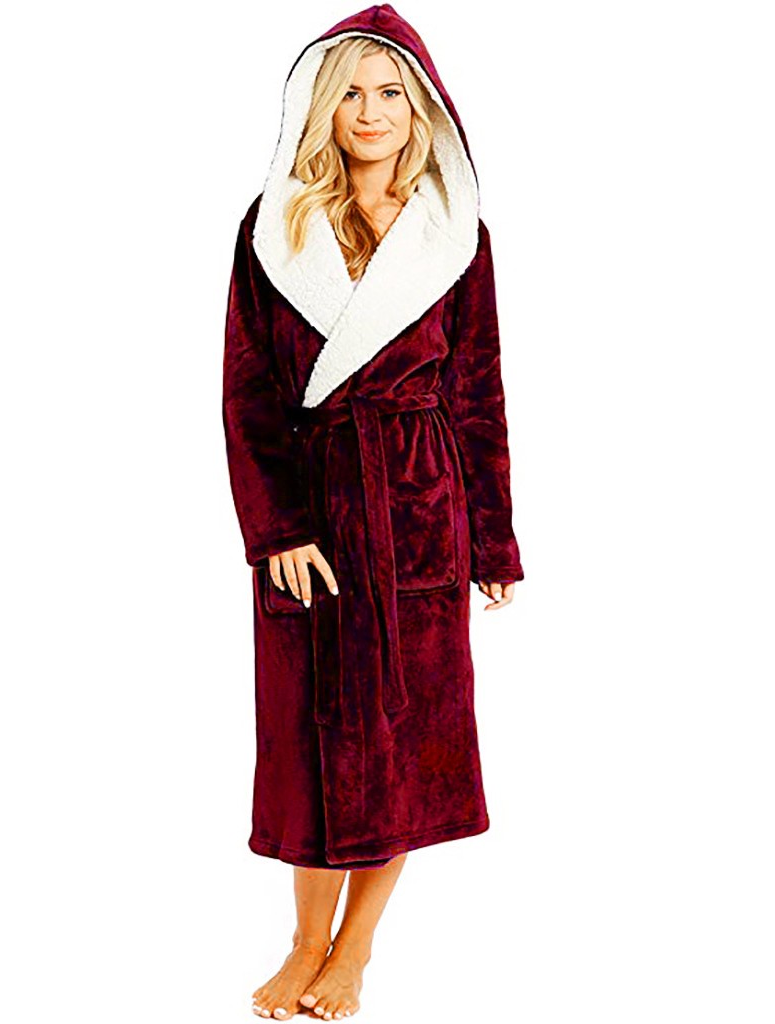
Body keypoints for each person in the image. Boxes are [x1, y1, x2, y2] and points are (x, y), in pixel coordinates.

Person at [221, 5, 525, 1019]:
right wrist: (276, 530)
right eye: (349, 91)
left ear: (421, 106)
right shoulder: (273, 228)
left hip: (419, 508)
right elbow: (247, 392)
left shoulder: (453, 234)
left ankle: (353, 950)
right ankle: (303, 941)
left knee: (402, 744)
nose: (370, 111)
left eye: (390, 91)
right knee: (308, 743)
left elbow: (478, 391)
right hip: (314, 512)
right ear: (321, 105)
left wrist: (492, 538)